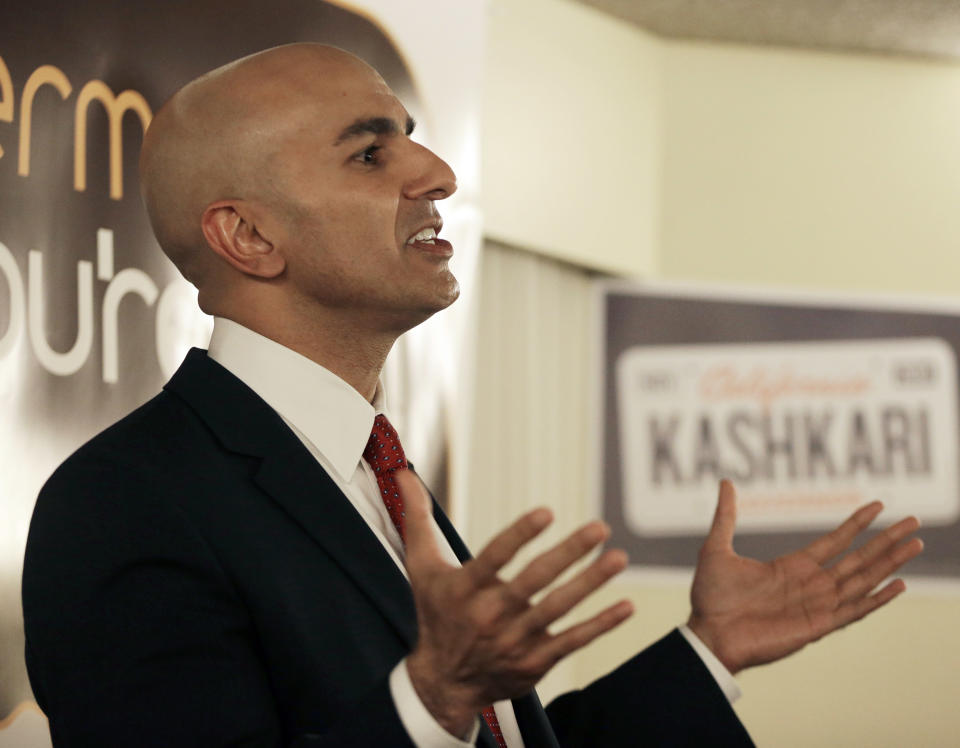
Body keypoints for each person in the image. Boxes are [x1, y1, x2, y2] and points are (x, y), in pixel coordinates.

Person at [22, 44, 923, 748]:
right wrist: (433, 699)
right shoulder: (125, 503)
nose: (439, 174)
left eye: (411, 136)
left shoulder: (372, 466)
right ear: (248, 236)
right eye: (372, 153)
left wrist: (707, 652)